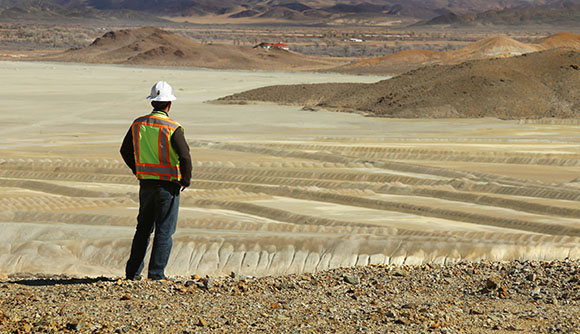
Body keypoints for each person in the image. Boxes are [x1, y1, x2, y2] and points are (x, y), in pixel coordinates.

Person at [120, 81, 192, 280]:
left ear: (152, 103)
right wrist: (185, 180)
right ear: (169, 104)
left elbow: (125, 150)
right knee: (164, 230)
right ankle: (156, 275)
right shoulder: (173, 128)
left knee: (143, 229)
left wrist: (138, 170)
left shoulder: (138, 124)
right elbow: (185, 156)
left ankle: (132, 273)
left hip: (146, 183)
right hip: (168, 185)